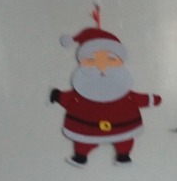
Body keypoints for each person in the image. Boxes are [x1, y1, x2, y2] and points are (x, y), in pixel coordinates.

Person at [49, 9, 160, 166]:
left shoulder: (124, 93)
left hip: (121, 128)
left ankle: (123, 155)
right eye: (92, 61)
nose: (102, 67)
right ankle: (81, 156)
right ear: (83, 62)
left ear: (120, 62)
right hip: (87, 128)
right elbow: (69, 98)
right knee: (84, 141)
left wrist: (151, 99)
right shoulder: (81, 93)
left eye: (110, 60)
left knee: (124, 140)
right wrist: (58, 96)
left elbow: (138, 98)